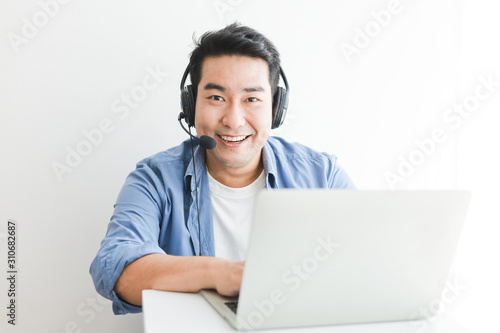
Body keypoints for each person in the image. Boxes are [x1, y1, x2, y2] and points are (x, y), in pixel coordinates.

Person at [89, 23, 355, 315]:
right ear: (190, 105)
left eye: (251, 99)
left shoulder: (322, 176)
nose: (233, 119)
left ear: (276, 108)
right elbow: (115, 268)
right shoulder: (154, 180)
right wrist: (222, 274)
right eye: (216, 98)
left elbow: (368, 263)